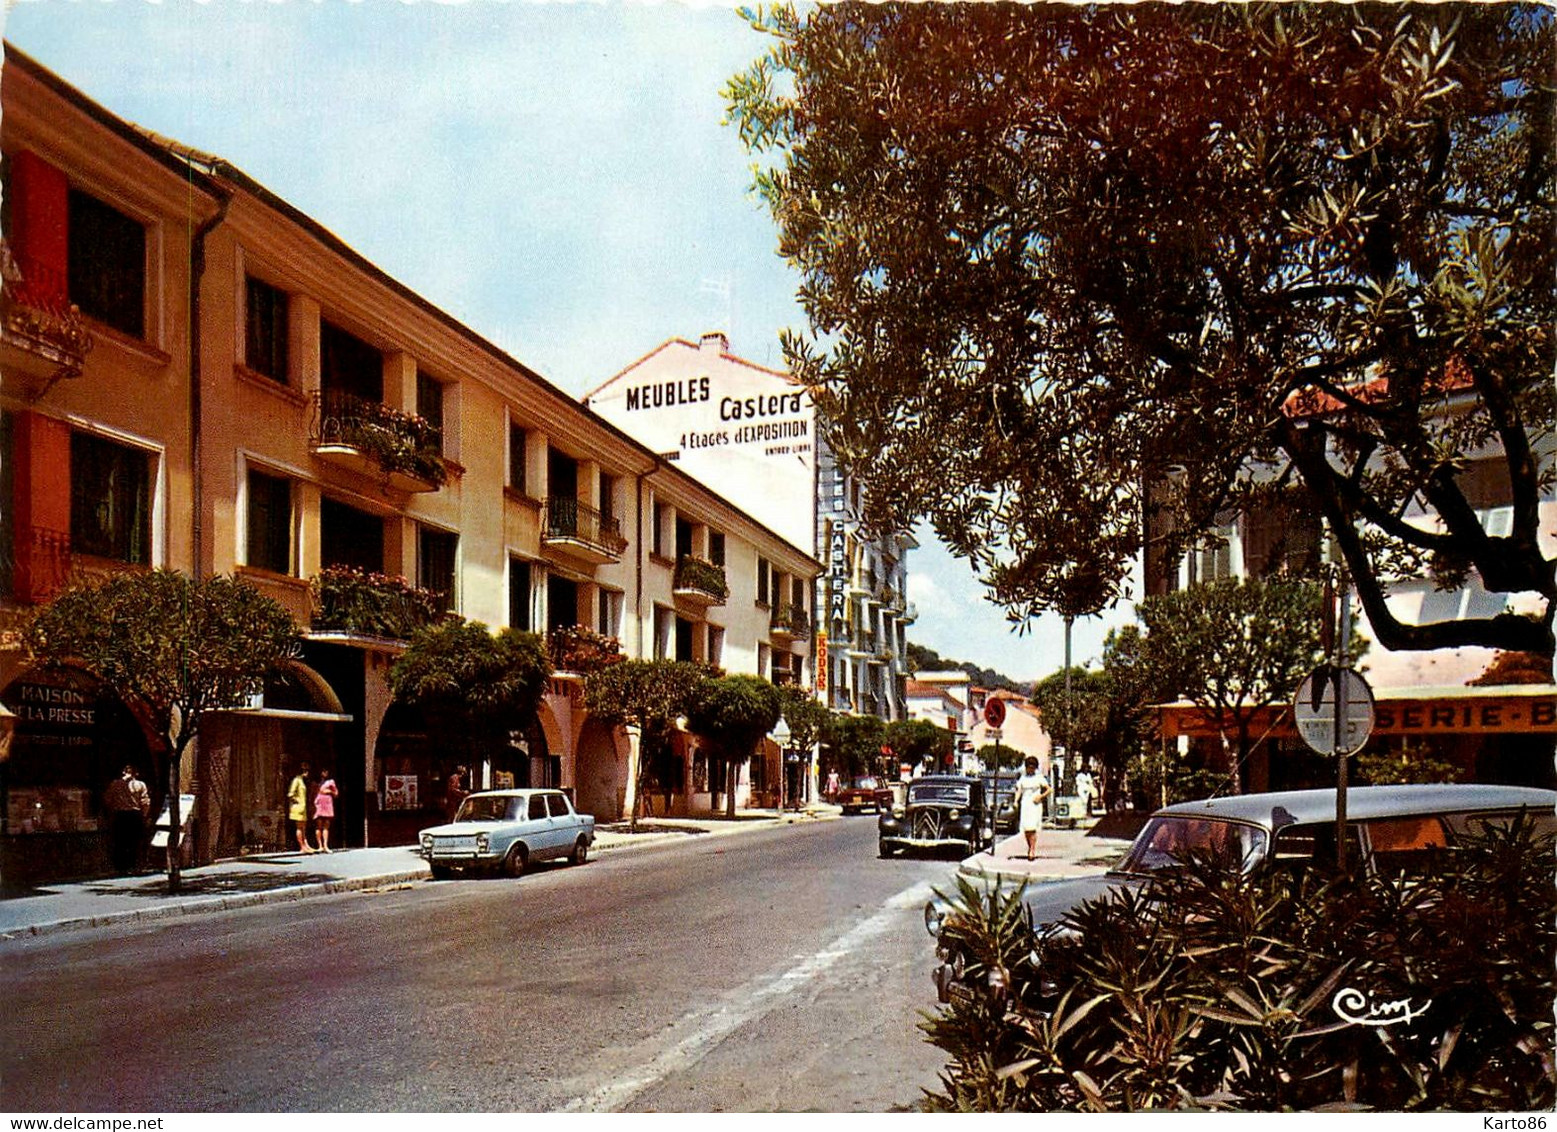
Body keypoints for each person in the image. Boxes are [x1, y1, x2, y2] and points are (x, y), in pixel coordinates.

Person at [103, 765, 151, 874]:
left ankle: (121, 867)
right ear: (136, 773)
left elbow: (107, 799)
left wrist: (113, 810)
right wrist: (144, 816)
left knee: (120, 841)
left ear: (123, 772)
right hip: (135, 814)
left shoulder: (115, 784)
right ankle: (134, 866)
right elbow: (145, 802)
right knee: (135, 841)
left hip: (120, 815)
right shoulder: (140, 784)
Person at [1014, 755, 1052, 862]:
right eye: (1029, 767)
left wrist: (1041, 796)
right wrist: (1016, 801)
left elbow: (1049, 789)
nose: (1030, 769)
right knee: (1026, 828)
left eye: (1032, 767)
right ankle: (1029, 845)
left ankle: (1032, 849)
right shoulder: (1023, 777)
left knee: (1033, 828)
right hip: (1025, 803)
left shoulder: (1039, 777)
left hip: (1035, 804)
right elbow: (1019, 790)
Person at [288, 761, 314, 853]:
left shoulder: (302, 781)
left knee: (303, 828)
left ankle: (306, 845)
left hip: (303, 807)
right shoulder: (296, 780)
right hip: (298, 807)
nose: (307, 773)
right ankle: (301, 846)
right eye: (306, 771)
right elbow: (291, 794)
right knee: (299, 827)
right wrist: (297, 801)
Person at [313, 768, 339, 853]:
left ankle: (325, 845)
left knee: (326, 825)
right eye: (323, 771)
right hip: (318, 803)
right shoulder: (315, 782)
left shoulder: (331, 782)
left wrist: (330, 791)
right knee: (318, 825)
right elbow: (312, 793)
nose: (325, 773)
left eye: (326, 771)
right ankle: (319, 846)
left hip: (327, 804)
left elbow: (336, 794)